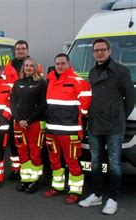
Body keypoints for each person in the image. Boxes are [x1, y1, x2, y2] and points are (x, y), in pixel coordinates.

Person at [79, 38, 134, 215]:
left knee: (115, 164)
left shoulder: (121, 71)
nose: (99, 53)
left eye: (103, 50)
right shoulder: (92, 72)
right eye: (96, 50)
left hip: (114, 126)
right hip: (95, 124)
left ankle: (113, 198)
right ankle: (96, 195)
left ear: (110, 51)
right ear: (93, 53)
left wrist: (120, 118)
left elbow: (130, 100)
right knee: (95, 163)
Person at [44, 53, 91, 205]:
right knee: (54, 161)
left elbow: (86, 104)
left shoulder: (77, 80)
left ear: (69, 64)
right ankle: (57, 187)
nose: (60, 66)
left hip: (69, 130)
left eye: (63, 63)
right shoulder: (50, 80)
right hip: (52, 130)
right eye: (57, 63)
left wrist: (78, 119)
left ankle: (75, 191)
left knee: (72, 161)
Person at [3, 40, 44, 179]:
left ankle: (33, 176)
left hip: (31, 117)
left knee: (33, 148)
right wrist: (16, 116)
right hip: (14, 113)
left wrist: (28, 119)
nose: (20, 51)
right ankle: (17, 169)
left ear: (27, 50)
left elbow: (41, 99)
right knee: (15, 144)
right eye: (18, 49)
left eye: (23, 49)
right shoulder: (8, 68)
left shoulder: (36, 66)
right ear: (14, 51)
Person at [10, 57, 47, 194]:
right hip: (19, 123)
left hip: (35, 123)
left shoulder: (41, 83)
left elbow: (43, 105)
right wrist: (19, 120)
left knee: (35, 153)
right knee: (23, 152)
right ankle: (25, 179)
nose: (28, 68)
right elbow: (12, 104)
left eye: (31, 66)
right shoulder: (17, 83)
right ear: (23, 68)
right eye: (26, 66)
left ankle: (34, 181)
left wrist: (29, 120)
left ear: (35, 68)